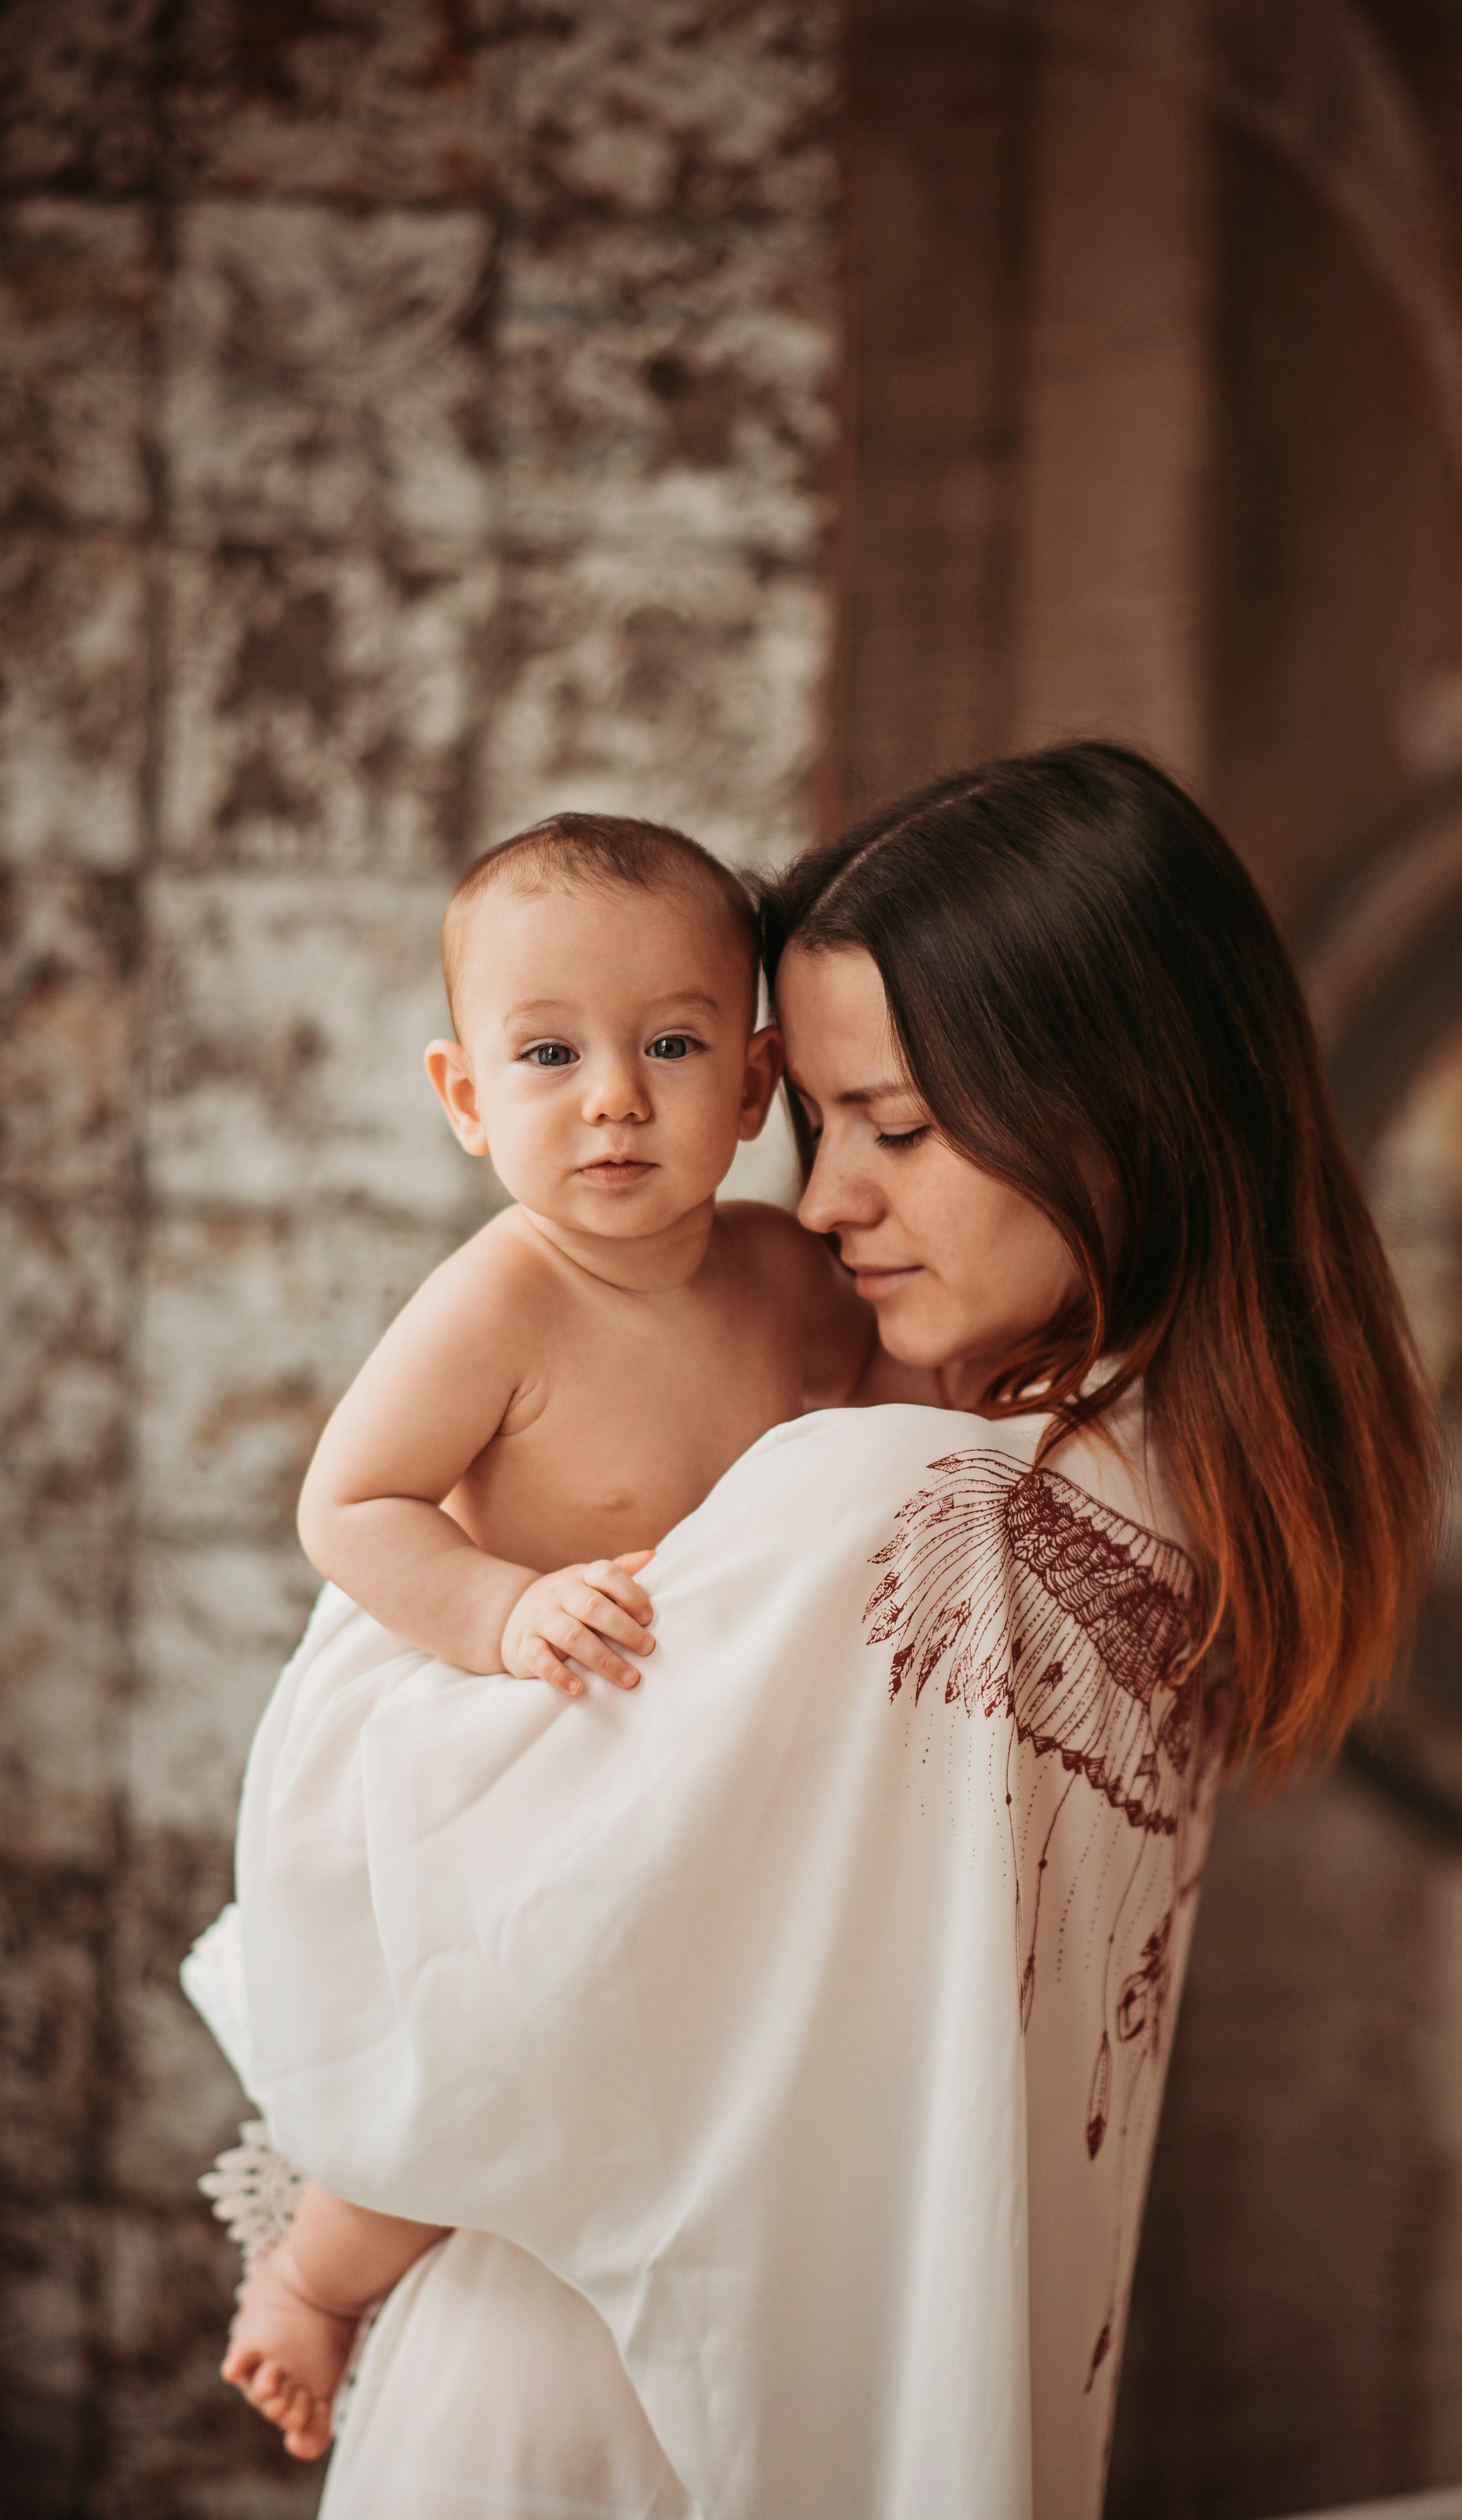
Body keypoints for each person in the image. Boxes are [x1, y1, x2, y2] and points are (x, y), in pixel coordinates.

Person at [197, 743, 1437, 2519]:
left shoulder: (893, 1512)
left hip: (637, 2394)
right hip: (784, 2371)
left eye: (901, 1129)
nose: (830, 1200)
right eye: (827, 1128)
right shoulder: (1173, 1498)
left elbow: (493, 1953)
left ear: (1126, 1106)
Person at [219, 807, 926, 2456]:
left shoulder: (780, 1267)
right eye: (547, 1053)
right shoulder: (505, 1297)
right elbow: (354, 1506)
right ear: (468, 1099)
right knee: (498, 2045)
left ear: (755, 1090)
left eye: (670, 1044)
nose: (613, 1096)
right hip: (502, 1714)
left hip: (665, 1735)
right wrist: (503, 1606)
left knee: (659, 2031)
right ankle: (321, 2276)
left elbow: (888, 1402)